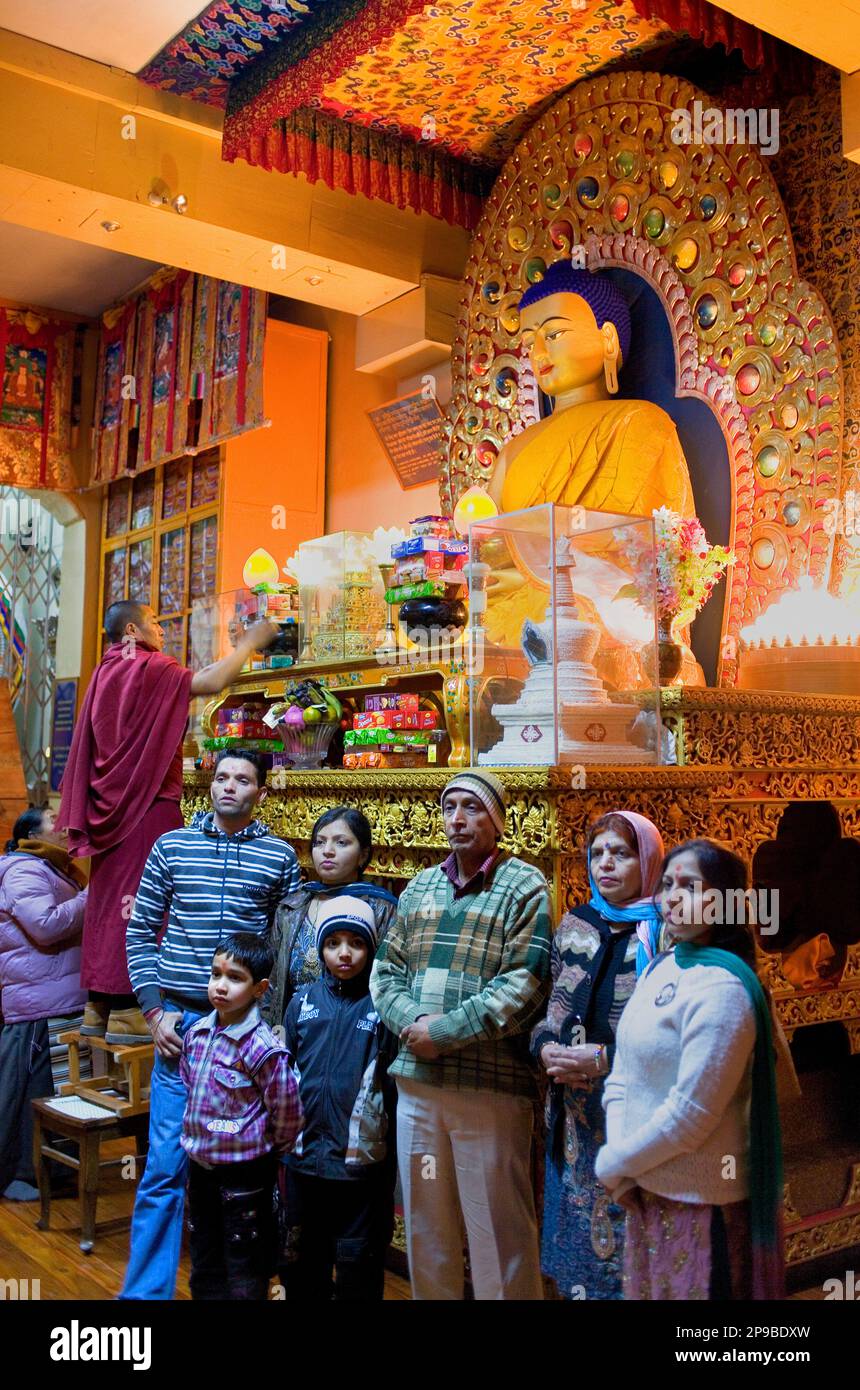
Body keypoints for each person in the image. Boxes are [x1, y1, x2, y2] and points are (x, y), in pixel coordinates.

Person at [120, 749, 300, 1301]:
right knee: (164, 1168)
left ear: (262, 793)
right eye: (221, 777)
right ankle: (144, 1294)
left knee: (244, 1169)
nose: (229, 787)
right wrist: (154, 1011)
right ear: (210, 786)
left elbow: (286, 948)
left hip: (246, 1035)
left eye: (243, 780)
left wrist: (271, 1024)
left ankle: (243, 1284)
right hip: (181, 1027)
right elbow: (140, 932)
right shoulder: (171, 846)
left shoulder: (279, 857)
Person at [56, 599, 278, 1043]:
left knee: (108, 899)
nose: (162, 630)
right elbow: (211, 681)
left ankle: (97, 1007)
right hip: (147, 801)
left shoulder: (103, 672)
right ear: (133, 631)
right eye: (155, 623)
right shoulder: (148, 665)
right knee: (147, 902)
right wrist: (250, 643)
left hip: (108, 807)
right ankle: (129, 1009)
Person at [371, 769, 552, 1301]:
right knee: (427, 1230)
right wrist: (412, 1025)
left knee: (497, 1231)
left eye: (472, 807)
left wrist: (444, 1032)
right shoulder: (422, 885)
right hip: (418, 1085)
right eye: (449, 806)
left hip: (488, 1087)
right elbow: (386, 972)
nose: (457, 818)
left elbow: (526, 982)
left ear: (496, 819)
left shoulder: (525, 885)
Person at [595, 838, 784, 1300]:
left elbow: (692, 1114)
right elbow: (622, 1074)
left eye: (691, 886)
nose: (673, 897)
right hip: (648, 1189)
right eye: (667, 885)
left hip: (703, 1203)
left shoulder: (724, 987)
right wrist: (622, 1161)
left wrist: (615, 1162)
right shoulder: (661, 968)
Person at [530, 809, 664, 1300]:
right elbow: (552, 1011)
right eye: (598, 853)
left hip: (638, 1123)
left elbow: (671, 1037)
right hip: (575, 1123)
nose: (606, 863)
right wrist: (547, 1050)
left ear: (648, 861)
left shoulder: (667, 933)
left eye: (622, 853)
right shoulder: (577, 925)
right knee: (580, 1266)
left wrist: (604, 1060)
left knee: (634, 1267)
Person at [280, 895, 396, 1301]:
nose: (344, 953)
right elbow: (287, 1072)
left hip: (358, 1164)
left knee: (357, 1266)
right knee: (303, 1262)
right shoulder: (302, 1003)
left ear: (371, 947)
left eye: (356, 943)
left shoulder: (384, 1006)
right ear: (321, 949)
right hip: (304, 1158)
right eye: (333, 944)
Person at [181, 933, 302, 1300]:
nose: (221, 985)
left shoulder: (263, 1047)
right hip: (200, 1169)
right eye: (216, 974)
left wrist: (268, 1147)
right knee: (204, 1264)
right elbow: (191, 1085)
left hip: (246, 1176)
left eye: (235, 978)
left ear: (259, 988)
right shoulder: (197, 1034)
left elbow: (287, 1111)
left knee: (244, 1271)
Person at [0, 807, 87, 1200]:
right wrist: (92, 895)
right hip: (39, 1002)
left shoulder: (52, 868)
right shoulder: (23, 869)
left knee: (57, 1089)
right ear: (32, 832)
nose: (64, 821)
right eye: (54, 816)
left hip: (53, 995)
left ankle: (51, 1171)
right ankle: (25, 1174)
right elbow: (47, 925)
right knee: (32, 1092)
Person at [266, 806, 398, 1027]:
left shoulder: (381, 910)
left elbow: (391, 983)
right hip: (292, 1031)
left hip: (353, 1031)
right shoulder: (291, 908)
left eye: (341, 842)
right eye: (319, 842)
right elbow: (272, 983)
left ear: (363, 855)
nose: (327, 851)